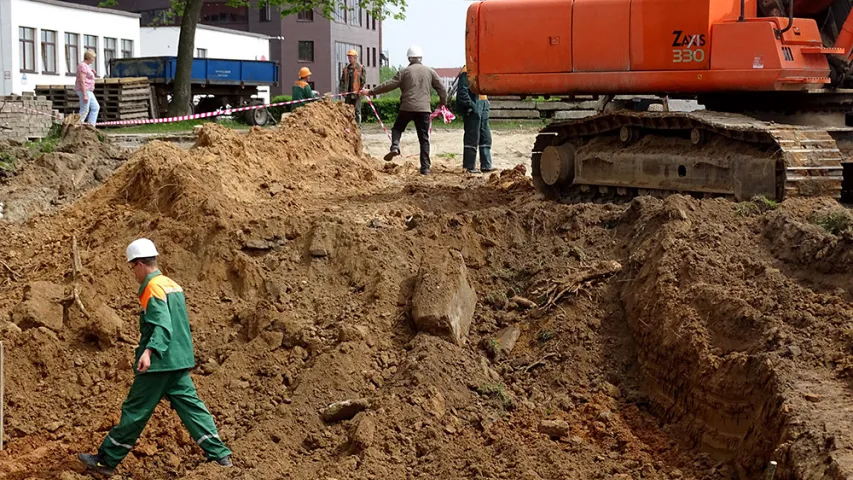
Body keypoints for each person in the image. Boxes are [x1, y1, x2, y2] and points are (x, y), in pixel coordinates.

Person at [78, 238, 232, 476]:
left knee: (135, 411)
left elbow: (162, 323)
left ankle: (106, 460)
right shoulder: (172, 284)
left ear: (139, 264)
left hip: (159, 364)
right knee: (193, 408)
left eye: (133, 267)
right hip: (179, 362)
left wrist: (149, 352)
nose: (134, 273)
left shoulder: (152, 287)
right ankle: (220, 454)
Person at [361, 45, 447, 175]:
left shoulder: (404, 72)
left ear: (409, 58)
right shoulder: (430, 71)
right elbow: (442, 89)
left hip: (406, 107)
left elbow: (389, 85)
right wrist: (442, 104)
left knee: (397, 128)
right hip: (424, 109)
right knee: (424, 139)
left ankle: (395, 146)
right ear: (421, 58)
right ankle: (425, 168)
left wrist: (371, 91)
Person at [456, 65, 493, 174]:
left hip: (484, 103)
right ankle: (469, 166)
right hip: (474, 105)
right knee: (472, 137)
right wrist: (472, 106)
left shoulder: (483, 69)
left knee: (485, 136)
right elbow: (462, 92)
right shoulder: (467, 71)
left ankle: (486, 165)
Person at [340, 49, 366, 125]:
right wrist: (342, 91)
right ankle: (348, 126)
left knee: (357, 111)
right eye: (348, 57)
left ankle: (358, 126)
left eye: (350, 57)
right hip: (348, 94)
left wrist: (360, 90)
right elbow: (342, 81)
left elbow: (363, 81)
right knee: (347, 110)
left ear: (355, 57)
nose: (349, 59)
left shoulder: (360, 68)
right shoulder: (346, 69)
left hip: (357, 94)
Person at [75, 49, 99, 127]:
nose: (93, 60)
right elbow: (82, 81)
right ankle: (77, 126)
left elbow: (87, 74)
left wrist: (91, 72)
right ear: (89, 58)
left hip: (89, 90)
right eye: (93, 58)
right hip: (85, 90)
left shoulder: (86, 66)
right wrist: (84, 94)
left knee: (95, 107)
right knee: (84, 110)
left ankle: (91, 126)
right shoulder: (82, 66)